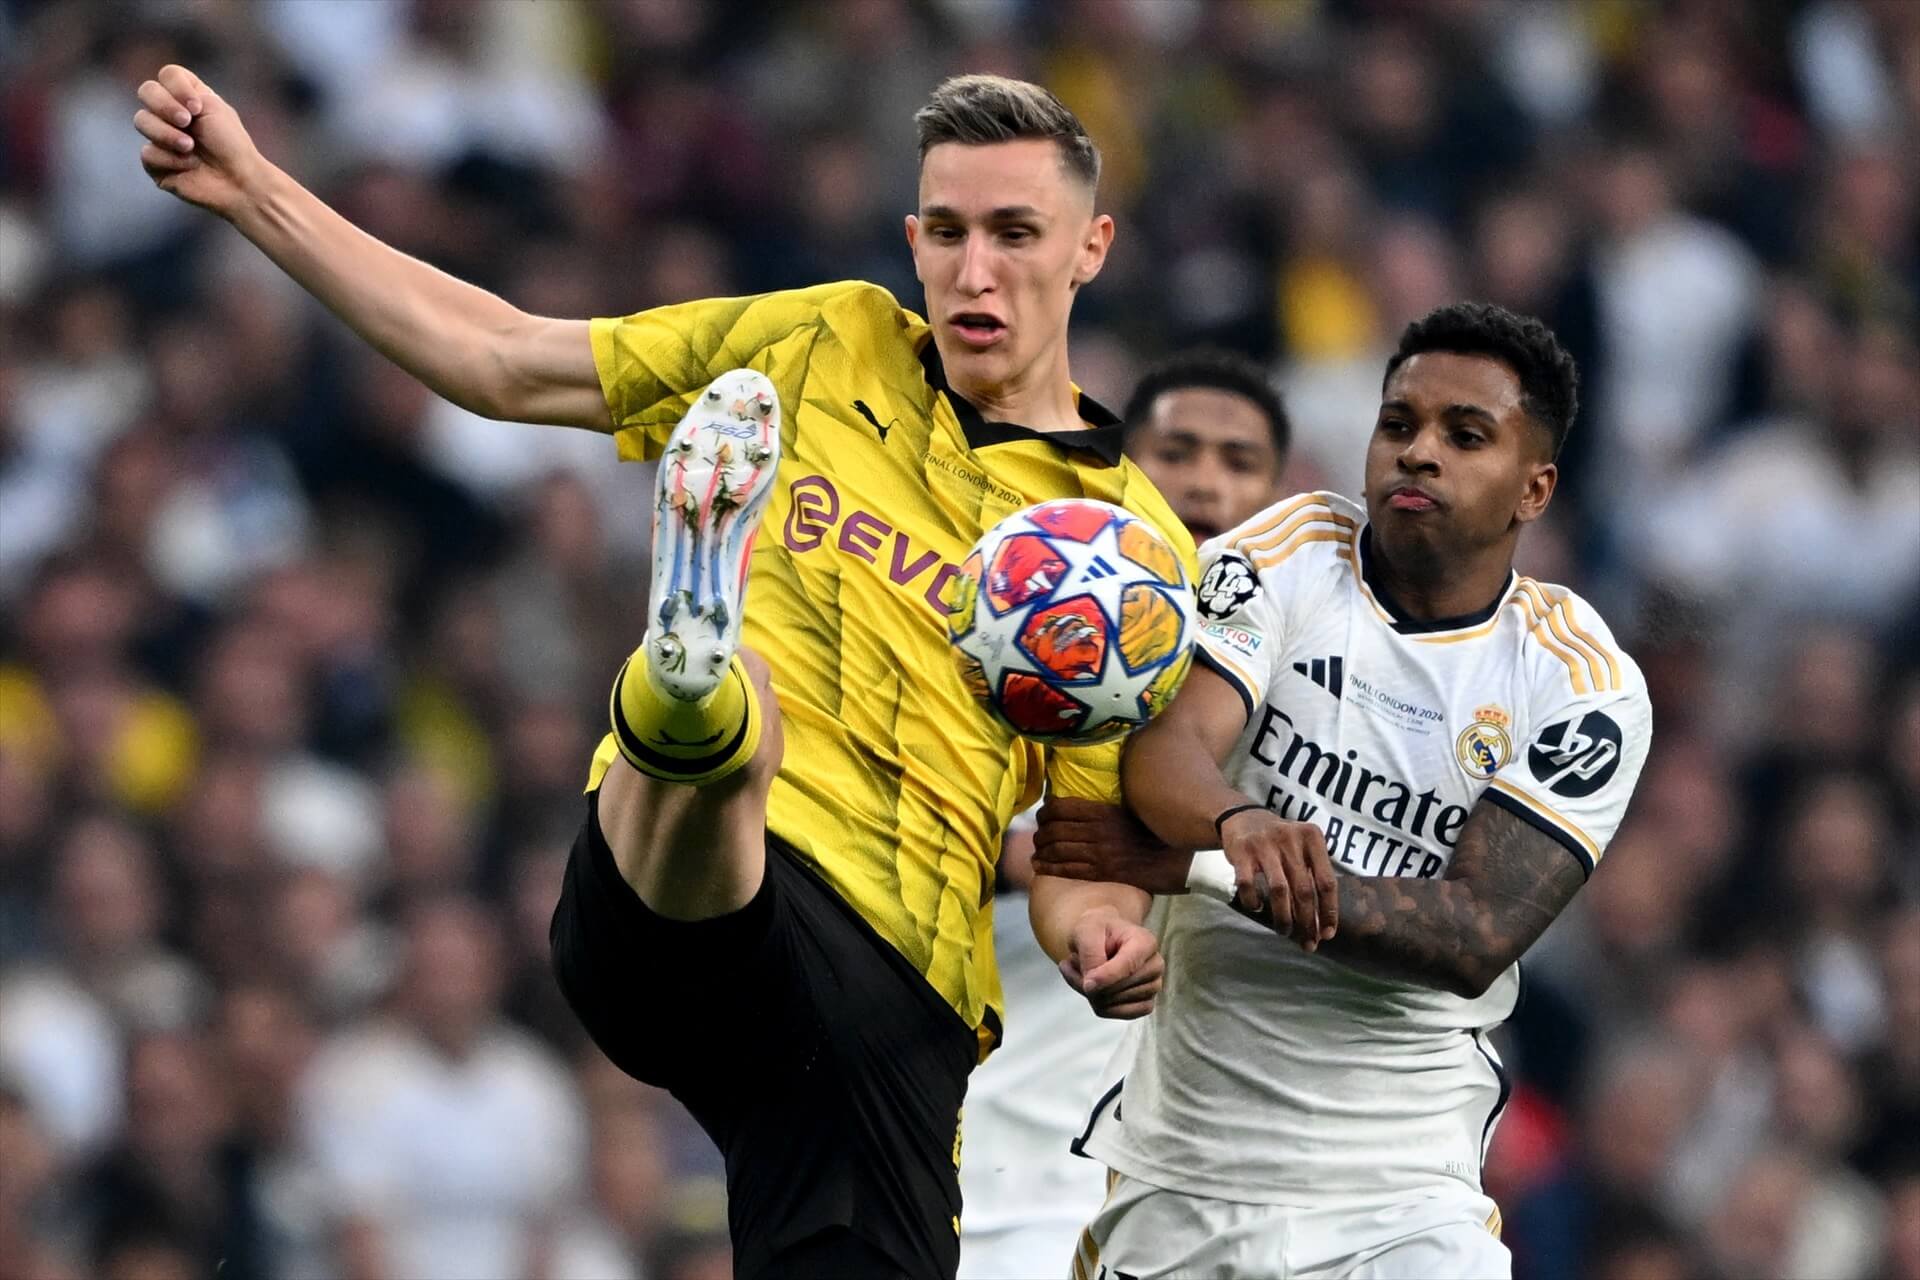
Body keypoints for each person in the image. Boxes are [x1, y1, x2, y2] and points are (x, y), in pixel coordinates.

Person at [133, 66, 1178, 1278]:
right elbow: (507, 361)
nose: (973, 269)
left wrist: (1104, 936)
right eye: (945, 231)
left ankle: (694, 700)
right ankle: (697, 701)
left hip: (885, 1003)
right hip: (687, 894)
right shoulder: (819, 340)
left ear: (1091, 246)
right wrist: (256, 190)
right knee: (738, 757)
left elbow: (1083, 855)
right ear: (912, 236)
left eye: (1015, 233)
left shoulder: (1122, 549)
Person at [1033, 302, 1653, 1278]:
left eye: (1465, 434)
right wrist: (1238, 824)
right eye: (1398, 423)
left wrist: (1211, 870)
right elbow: (1169, 752)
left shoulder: (1580, 681)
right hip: (1188, 1172)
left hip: (1404, 1196)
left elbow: (1471, 933)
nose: (1418, 453)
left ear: (1536, 487)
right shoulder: (1285, 553)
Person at [958, 350, 1291, 1278]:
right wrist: (1032, 853)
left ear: (1279, 495)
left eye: (1238, 460)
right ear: (1118, 474)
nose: (1202, 481)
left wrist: (1157, 856)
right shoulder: (1012, 650)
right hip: (1002, 1190)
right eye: (1174, 452)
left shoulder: (1298, 703)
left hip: (1206, 1194)